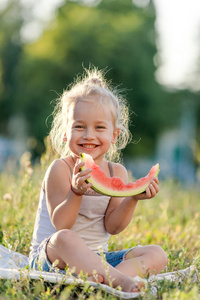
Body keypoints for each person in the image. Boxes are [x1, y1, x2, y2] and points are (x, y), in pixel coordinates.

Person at [29, 68, 167, 293]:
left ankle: (102, 280)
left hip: (97, 259)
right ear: (66, 133)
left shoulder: (117, 172)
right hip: (52, 260)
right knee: (64, 238)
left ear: (114, 135)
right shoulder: (60, 169)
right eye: (79, 126)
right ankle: (120, 281)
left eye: (99, 127)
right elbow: (61, 225)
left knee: (156, 254)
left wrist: (132, 199)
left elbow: (113, 227)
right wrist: (75, 192)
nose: (89, 135)